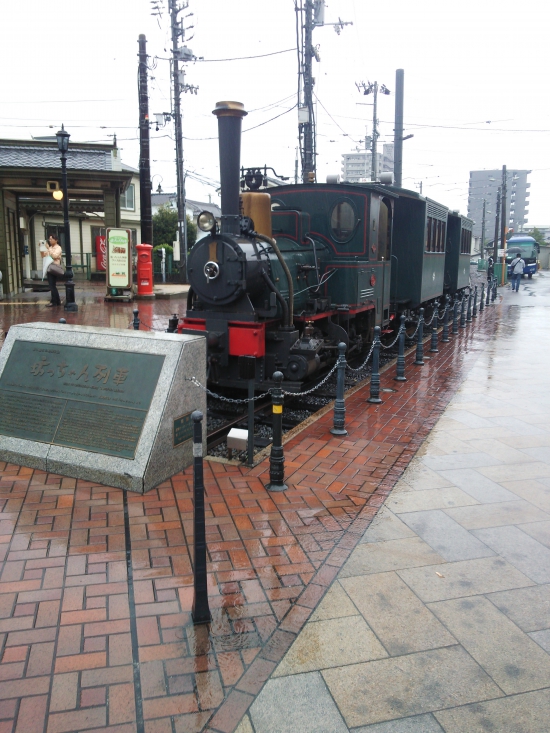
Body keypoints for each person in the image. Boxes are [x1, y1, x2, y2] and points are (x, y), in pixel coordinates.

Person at [41, 234, 63, 307]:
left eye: (51, 239)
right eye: (49, 239)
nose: (50, 240)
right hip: (49, 267)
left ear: (56, 240)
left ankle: (54, 301)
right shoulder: (49, 248)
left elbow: (54, 256)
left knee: (52, 285)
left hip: (54, 267)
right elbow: (43, 256)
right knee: (52, 285)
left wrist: (48, 249)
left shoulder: (58, 248)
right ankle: (56, 301)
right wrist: (42, 248)